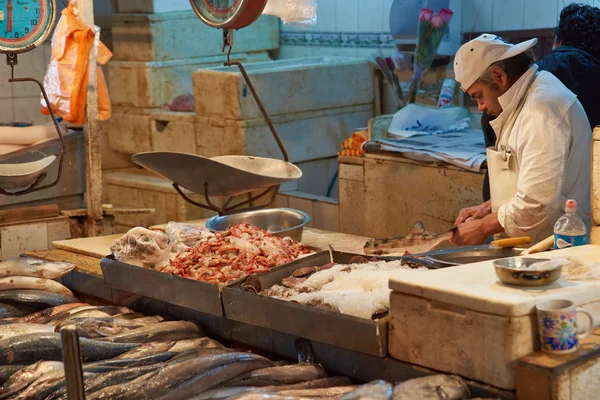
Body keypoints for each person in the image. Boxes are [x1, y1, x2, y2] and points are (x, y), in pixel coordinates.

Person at [450, 34, 592, 246]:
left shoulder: (540, 110)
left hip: (561, 247)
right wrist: (488, 208)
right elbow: (531, 180)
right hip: (538, 245)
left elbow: (537, 203)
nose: (480, 106)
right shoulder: (527, 95)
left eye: (479, 95)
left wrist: (483, 227)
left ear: (499, 76)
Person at [480, 3, 600, 202]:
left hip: (509, 204)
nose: (481, 104)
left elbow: (488, 123)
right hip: (582, 214)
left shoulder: (530, 77)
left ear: (557, 40)